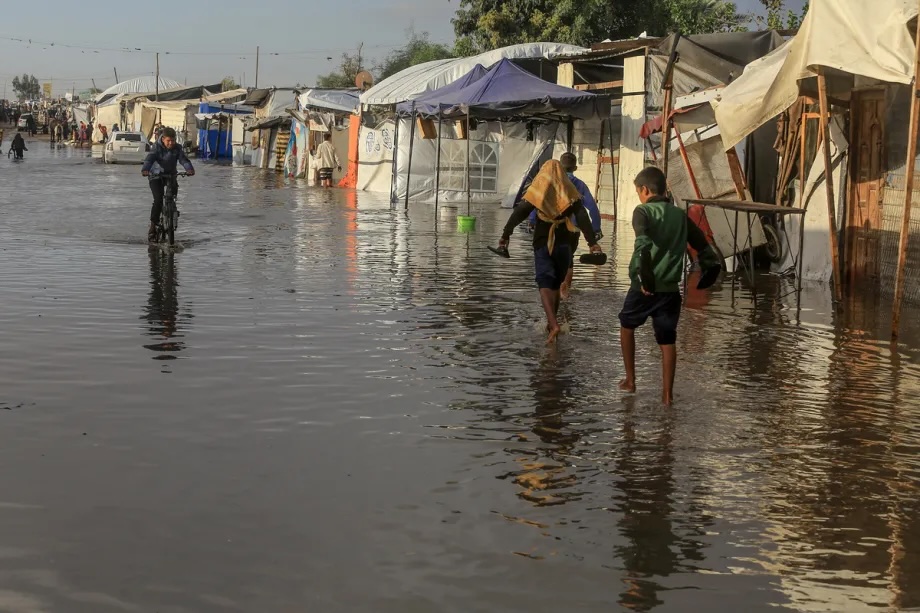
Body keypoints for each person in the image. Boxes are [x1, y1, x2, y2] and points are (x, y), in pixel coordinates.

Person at [618, 167, 719, 406]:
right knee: (667, 341)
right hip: (671, 290)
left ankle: (631, 380)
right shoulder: (680, 215)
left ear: (644, 190)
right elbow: (702, 246)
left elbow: (642, 243)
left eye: (637, 191)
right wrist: (709, 267)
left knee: (626, 325)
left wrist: (644, 275)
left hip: (644, 286)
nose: (638, 195)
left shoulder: (642, 211)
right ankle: (667, 396)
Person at [495, 159, 603, 345]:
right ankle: (550, 323)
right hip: (566, 241)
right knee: (555, 283)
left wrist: (506, 234)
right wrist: (592, 243)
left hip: (543, 240)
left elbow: (521, 210)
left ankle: (553, 324)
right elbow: (583, 214)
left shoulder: (539, 189)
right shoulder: (568, 190)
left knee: (545, 282)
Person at [527, 152, 603, 299]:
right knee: (569, 260)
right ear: (575, 168)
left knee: (547, 259)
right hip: (572, 230)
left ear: (559, 167)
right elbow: (592, 208)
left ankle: (549, 292)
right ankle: (565, 291)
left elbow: (534, 201)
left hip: (548, 228)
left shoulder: (548, 181)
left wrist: (532, 221)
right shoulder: (579, 185)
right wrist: (596, 230)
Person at [141, 127, 195, 242]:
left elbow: (183, 160)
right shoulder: (156, 147)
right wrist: (145, 169)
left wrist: (189, 169)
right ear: (163, 139)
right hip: (156, 176)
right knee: (158, 199)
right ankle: (152, 227)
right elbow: (149, 159)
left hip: (170, 175)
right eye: (168, 141)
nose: (171, 143)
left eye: (173, 141)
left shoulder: (178, 148)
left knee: (173, 195)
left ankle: (172, 212)